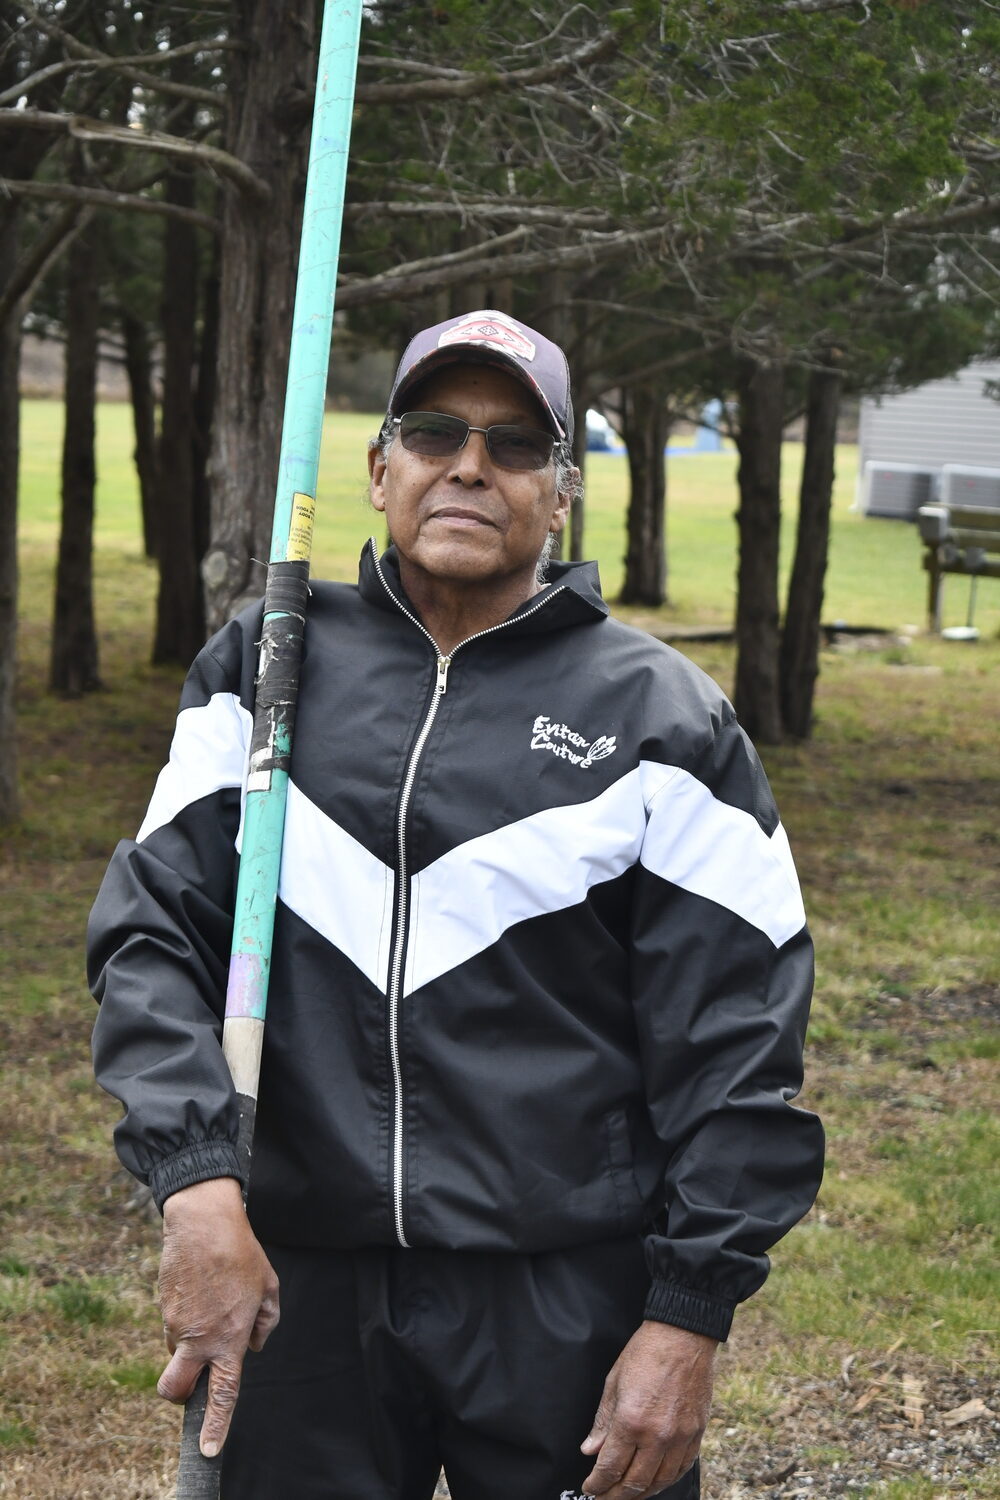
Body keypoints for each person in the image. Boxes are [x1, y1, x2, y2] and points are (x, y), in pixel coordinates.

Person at [88, 308, 824, 1500]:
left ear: (562, 491)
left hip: (561, 1295)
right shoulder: (264, 667)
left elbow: (739, 1051)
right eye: (434, 432)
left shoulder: (666, 723)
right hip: (298, 1277)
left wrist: (688, 1314)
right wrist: (198, 1192)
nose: (470, 465)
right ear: (379, 470)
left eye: (517, 444)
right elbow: (151, 939)